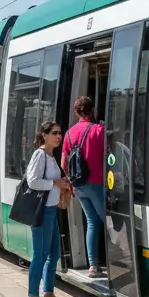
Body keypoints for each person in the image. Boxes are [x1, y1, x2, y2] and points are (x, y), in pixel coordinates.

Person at [61, 96, 107, 278]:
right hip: (96, 183)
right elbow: (110, 156)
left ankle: (93, 266)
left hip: (79, 186)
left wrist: (71, 183)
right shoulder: (99, 130)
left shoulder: (69, 133)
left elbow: (64, 162)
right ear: (92, 110)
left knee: (92, 222)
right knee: (110, 224)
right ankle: (122, 265)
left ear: (76, 112)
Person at [24, 120, 67, 297]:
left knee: (54, 253)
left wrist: (61, 184)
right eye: (55, 133)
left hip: (51, 210)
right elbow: (33, 182)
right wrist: (55, 184)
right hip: (42, 212)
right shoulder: (40, 155)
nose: (59, 136)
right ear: (44, 134)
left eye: (60, 133)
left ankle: (48, 293)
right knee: (40, 255)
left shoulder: (51, 156)